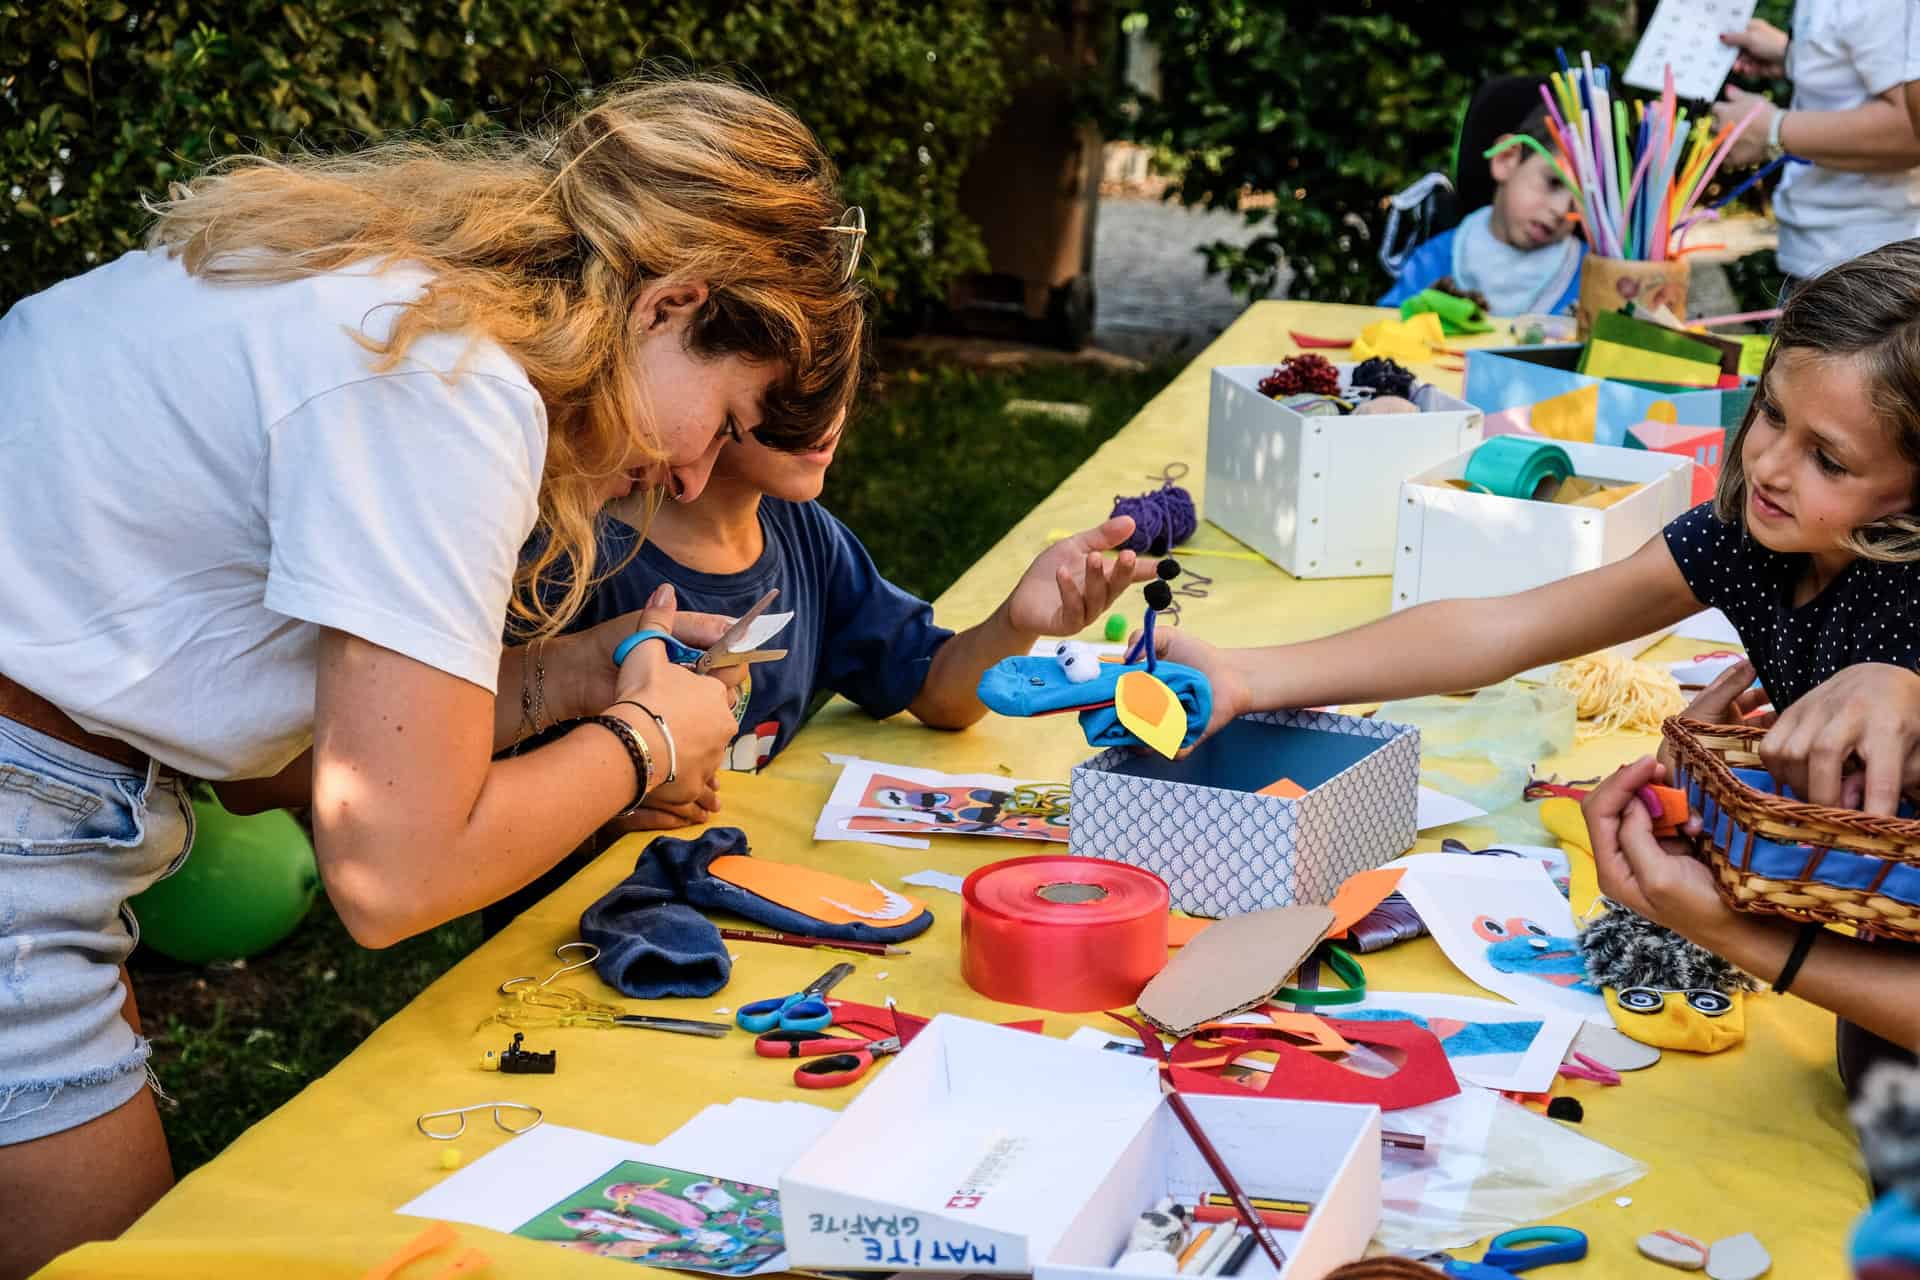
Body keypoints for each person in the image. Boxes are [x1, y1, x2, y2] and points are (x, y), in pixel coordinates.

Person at [0, 75, 862, 1277]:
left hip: (44, 788)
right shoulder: (451, 387)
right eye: (721, 421)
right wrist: (646, 741)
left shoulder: (398, 304)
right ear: (670, 304)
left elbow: (289, 770)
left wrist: (567, 679)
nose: (689, 475)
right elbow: (391, 870)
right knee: (123, 1260)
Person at [1163, 236, 1920, 817]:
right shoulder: (1748, 537)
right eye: (1773, 414)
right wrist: (1248, 675)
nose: (1769, 466)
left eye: (1828, 460)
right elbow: (1509, 627)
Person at [477, 418, 1154, 935]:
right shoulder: (566, 564)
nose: (828, 410)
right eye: (796, 382)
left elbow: (935, 689)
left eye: (840, 373)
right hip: (575, 930)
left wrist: (1015, 621)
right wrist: (606, 806)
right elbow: (465, 796)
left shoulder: (803, 533)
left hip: (743, 906)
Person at [1717, 11, 1920, 288]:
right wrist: (1797, 57)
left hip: (1869, 270)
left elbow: (1911, 131)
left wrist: (1772, 130)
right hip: (1827, 256)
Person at [1379, 104, 1585, 317]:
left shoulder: (1590, 276)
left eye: (1579, 202)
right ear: (1506, 159)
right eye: (1553, 182)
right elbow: (1385, 324)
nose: (1561, 210)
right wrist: (1420, 311)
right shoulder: (1435, 259)